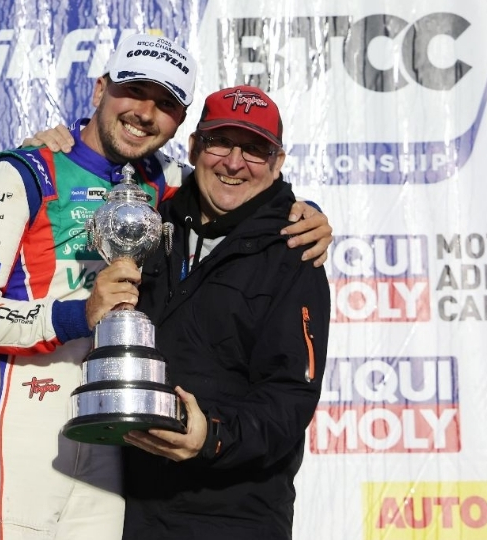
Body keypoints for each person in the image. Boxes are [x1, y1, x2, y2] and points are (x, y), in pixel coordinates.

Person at [0, 34, 331, 540]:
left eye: (165, 103)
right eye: (134, 91)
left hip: (112, 445)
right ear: (100, 88)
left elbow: (245, 188)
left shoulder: (167, 184)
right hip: (14, 429)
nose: (146, 113)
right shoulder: (22, 173)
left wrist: (306, 214)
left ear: (181, 124)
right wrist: (79, 314)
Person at [87, 85, 331, 539]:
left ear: (277, 162)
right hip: (132, 510)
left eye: (254, 150)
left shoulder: (295, 251)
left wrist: (212, 436)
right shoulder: (151, 224)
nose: (234, 163)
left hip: (234, 515)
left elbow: (290, 397)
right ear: (195, 147)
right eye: (220, 142)